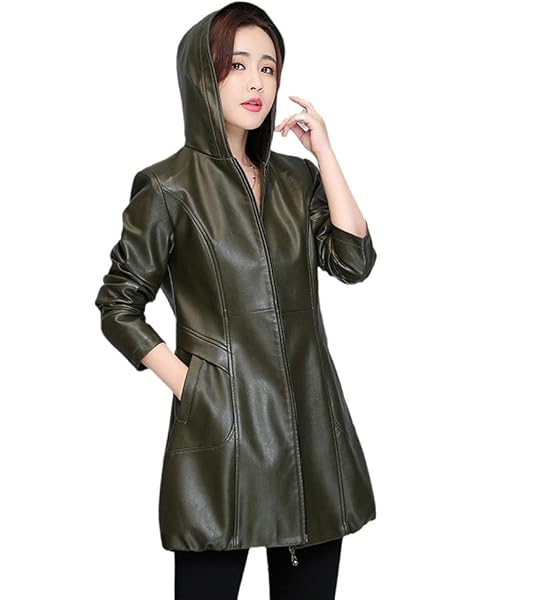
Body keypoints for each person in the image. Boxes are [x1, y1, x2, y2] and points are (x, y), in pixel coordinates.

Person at [94, 2, 378, 598]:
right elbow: (118, 303)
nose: (256, 82)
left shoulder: (297, 181)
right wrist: (191, 384)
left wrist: (324, 153)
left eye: (268, 67)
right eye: (238, 64)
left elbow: (353, 261)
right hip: (223, 438)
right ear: (204, 74)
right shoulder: (167, 186)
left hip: (309, 435)